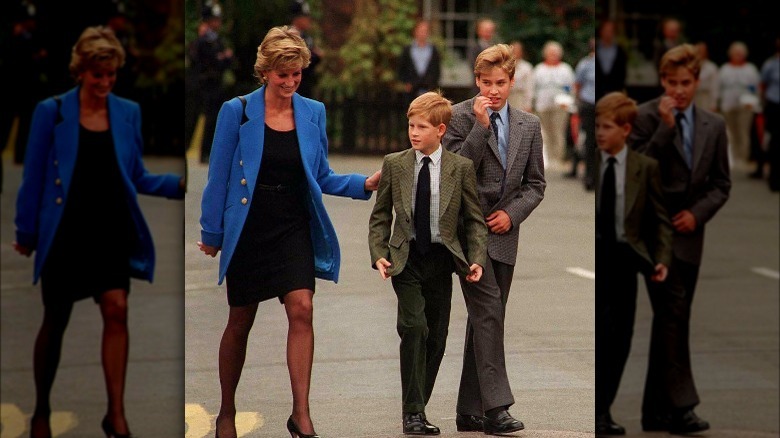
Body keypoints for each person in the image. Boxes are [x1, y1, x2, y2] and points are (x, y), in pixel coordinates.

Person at [197, 26, 381, 438]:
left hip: (292, 221)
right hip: (249, 223)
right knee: (240, 318)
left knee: (302, 307)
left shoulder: (313, 112)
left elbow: (320, 176)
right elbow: (219, 176)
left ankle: (302, 415)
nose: (290, 82)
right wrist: (212, 233)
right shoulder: (237, 111)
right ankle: (226, 411)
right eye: (283, 75)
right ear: (266, 71)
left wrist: (362, 185)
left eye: (297, 74)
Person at [13, 26, 185, 438]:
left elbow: (136, 175)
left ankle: (117, 415)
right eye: (97, 75)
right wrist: (25, 230)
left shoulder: (127, 113)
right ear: (81, 72)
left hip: (110, 228)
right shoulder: (51, 112)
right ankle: (40, 411)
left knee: (117, 309)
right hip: (65, 232)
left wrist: (179, 186)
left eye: (111, 75)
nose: (105, 83)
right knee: (56, 321)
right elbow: (33, 178)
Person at [368, 91, 487, 436]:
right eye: (411, 125)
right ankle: (413, 414)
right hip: (405, 259)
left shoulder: (460, 169)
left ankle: (417, 405)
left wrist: (475, 258)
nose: (414, 133)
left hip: (441, 260)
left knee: (436, 338)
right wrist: (378, 251)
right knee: (414, 328)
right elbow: (380, 216)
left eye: (422, 127)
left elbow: (474, 220)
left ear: (441, 130)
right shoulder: (395, 164)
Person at [628, 43, 730, 434]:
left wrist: (698, 213)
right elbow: (634, 172)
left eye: (685, 83)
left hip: (691, 237)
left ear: (697, 82)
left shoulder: (713, 125)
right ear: (662, 80)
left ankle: (656, 412)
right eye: (670, 82)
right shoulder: (644, 116)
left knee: (673, 320)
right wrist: (665, 131)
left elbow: (721, 184)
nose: (678, 90)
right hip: (655, 238)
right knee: (672, 315)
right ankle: (681, 407)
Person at [443, 43, 545, 435]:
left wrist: (512, 213)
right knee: (489, 312)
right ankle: (496, 409)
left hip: (504, 232)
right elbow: (454, 172)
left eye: (500, 83)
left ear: (512, 81)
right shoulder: (457, 117)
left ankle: (468, 409)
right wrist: (481, 128)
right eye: (485, 82)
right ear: (475, 80)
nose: (493, 91)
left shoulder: (528, 125)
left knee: (485, 317)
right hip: (467, 231)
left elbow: (535, 184)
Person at [594, 91, 673, 435]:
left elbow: (660, 221)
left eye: (607, 127)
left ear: (626, 130)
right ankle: (596, 411)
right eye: (596, 126)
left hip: (626, 260)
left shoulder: (644, 167)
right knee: (600, 334)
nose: (599, 133)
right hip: (599, 257)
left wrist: (661, 260)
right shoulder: (593, 162)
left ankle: (604, 409)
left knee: (619, 338)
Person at [189, 2, 233, 163]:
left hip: (216, 84)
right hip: (203, 84)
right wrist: (222, 58)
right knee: (196, 117)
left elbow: (225, 60)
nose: (218, 22)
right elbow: (207, 61)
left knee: (213, 119)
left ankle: (206, 152)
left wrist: (225, 58)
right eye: (215, 19)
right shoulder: (202, 40)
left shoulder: (216, 39)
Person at [718, 41, 761, 171]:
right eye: (735, 54)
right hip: (728, 104)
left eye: (740, 54)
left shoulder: (750, 69)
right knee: (731, 131)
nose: (738, 56)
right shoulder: (724, 68)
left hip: (745, 104)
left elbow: (756, 87)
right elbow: (719, 87)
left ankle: (744, 156)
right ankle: (734, 157)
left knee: (744, 131)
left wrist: (754, 102)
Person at [533, 40, 575, 168]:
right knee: (545, 132)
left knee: (558, 132)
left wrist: (569, 102)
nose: (553, 55)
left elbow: (571, 88)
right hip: (542, 105)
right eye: (550, 53)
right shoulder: (539, 68)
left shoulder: (565, 69)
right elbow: (534, 87)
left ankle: (558, 158)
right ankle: (548, 159)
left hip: (560, 106)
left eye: (555, 53)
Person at [397, 19, 441, 106]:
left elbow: (436, 69)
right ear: (415, 32)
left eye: (425, 31)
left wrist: (433, 85)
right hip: (412, 89)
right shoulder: (407, 49)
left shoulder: (433, 50)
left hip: (428, 88)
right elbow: (401, 67)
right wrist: (406, 83)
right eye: (420, 31)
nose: (423, 33)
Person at [572, 37, 597, 189]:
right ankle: (590, 176)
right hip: (589, 104)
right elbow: (578, 84)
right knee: (589, 141)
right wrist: (579, 103)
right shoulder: (585, 64)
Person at [289, 0, 322, 98]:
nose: (308, 20)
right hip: (294, 88)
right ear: (297, 18)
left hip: (306, 84)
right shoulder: (290, 36)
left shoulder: (307, 37)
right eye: (305, 17)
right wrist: (315, 55)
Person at [760, 36, 780, 191]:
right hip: (774, 104)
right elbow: (763, 84)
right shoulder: (770, 64)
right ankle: (774, 177)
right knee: (774, 141)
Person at [595, 19, 627, 102]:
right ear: (601, 32)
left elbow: (622, 73)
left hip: (614, 92)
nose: (608, 34)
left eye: (610, 31)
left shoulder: (620, 51)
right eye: (606, 31)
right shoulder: (596, 49)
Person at [466, 18, 497, 95]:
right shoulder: (473, 48)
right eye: (486, 30)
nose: (488, 33)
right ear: (479, 31)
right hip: (479, 88)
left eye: (490, 31)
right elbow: (474, 67)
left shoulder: (497, 47)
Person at [508, 40, 534, 113]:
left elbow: (529, 87)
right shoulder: (503, 66)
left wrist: (528, 104)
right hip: (507, 97)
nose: (515, 52)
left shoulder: (527, 67)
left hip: (520, 97)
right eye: (513, 50)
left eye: (517, 50)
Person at [693, 41, 719, 113]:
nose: (700, 53)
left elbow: (714, 87)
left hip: (706, 97)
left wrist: (713, 104)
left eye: (702, 51)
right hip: (693, 96)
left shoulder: (712, 67)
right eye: (698, 51)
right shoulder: (690, 66)